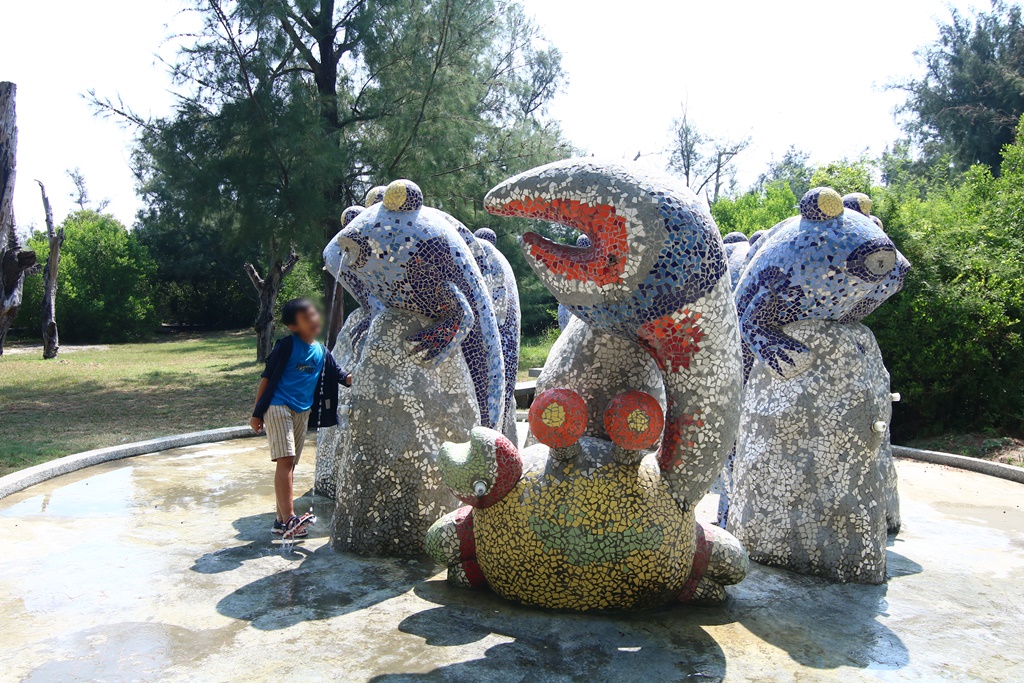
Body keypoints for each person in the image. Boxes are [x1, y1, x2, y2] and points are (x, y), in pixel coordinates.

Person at [249, 298, 352, 538]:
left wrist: (366, 374)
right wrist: (256, 413)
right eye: (307, 318)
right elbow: (267, 377)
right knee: (285, 460)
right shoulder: (286, 346)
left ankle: (279, 522)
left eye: (315, 315)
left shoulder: (322, 351)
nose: (314, 320)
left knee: (290, 465)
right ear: (294, 326)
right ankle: (290, 520)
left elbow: (342, 377)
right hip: (277, 406)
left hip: (302, 411)